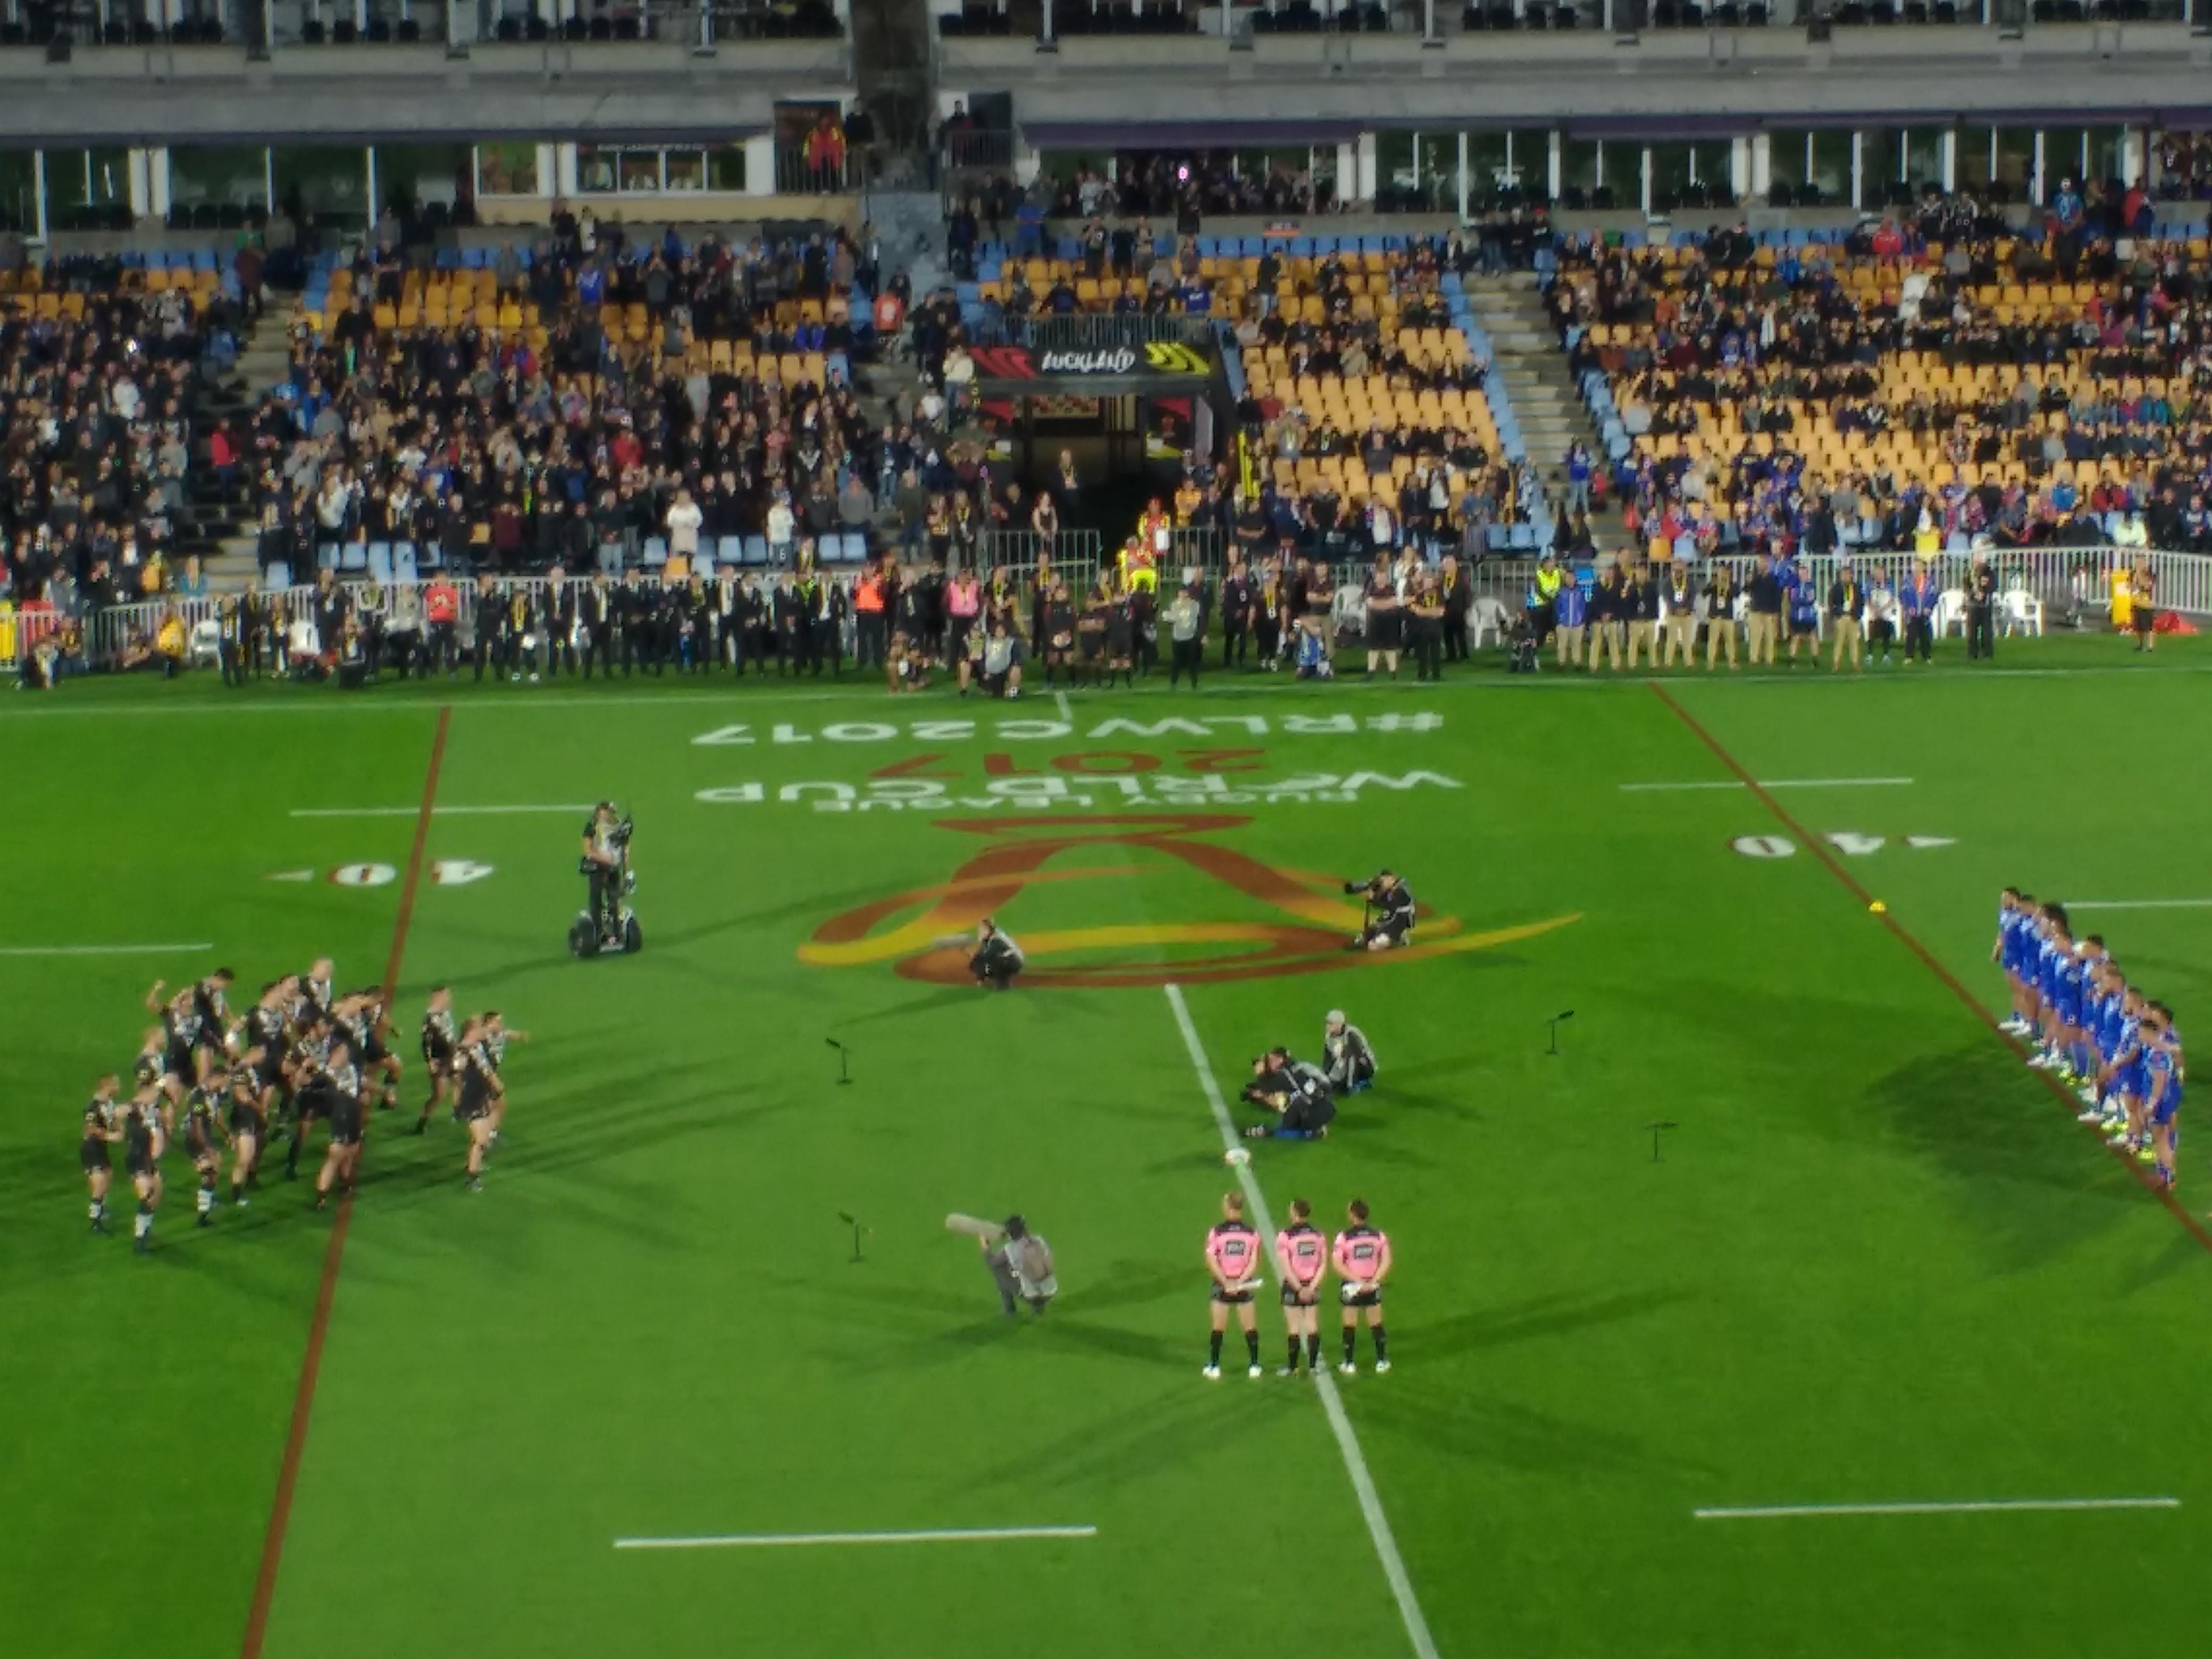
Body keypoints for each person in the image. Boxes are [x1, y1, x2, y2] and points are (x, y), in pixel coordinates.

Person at [1203, 1191, 1265, 1380]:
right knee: (1250, 1327)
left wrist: (1226, 1281)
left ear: (1229, 1207)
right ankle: (1254, 1365)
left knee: (1218, 1327)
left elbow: (1211, 1259)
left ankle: (1215, 1366)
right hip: (1244, 1284)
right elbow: (1254, 1262)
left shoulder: (1217, 1232)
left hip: (1222, 1284)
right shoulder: (1252, 1233)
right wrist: (1240, 1282)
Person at [1333, 1199, 1392, 1375]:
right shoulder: (1378, 1236)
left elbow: (1337, 1263)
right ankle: (1381, 1361)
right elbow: (1387, 1260)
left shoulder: (1344, 1237)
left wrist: (1357, 1281)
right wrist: (1373, 1281)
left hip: (1352, 1285)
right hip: (1372, 1284)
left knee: (1350, 1324)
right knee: (1376, 1324)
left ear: (1353, 1215)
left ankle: (1349, 1363)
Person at [1275, 1199, 1328, 1376]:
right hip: (1312, 1283)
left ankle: (1293, 1367)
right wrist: (1311, 1287)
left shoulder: (1286, 1236)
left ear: (1295, 1213)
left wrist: (1299, 1289)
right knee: (1312, 1324)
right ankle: (1313, 1366)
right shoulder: (1318, 1236)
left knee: (1293, 1326)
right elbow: (1323, 1264)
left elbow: (1286, 1266)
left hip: (1293, 1285)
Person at [1240, 1050, 1337, 1140]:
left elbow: (1294, 1102)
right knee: (1286, 1113)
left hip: (1315, 1111)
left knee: (1284, 1127)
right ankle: (1311, 1129)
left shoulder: (1278, 1079)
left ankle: (1313, 1133)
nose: (1256, 1068)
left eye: (1260, 1064)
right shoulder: (1287, 1073)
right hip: (1324, 1105)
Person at [454, 1017, 504, 1192]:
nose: (484, 1031)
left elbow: (487, 1070)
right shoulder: (463, 1051)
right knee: (481, 1140)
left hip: (481, 1097)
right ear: (471, 1032)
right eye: (480, 1029)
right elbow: (458, 1075)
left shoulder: (478, 1048)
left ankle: (472, 1166)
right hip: (471, 1100)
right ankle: (472, 1178)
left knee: (484, 1139)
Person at [981, 1215, 1057, 1316]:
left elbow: (992, 1262)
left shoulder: (1010, 1248)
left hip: (1031, 1297)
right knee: (1017, 1270)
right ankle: (1038, 1308)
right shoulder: (1038, 1240)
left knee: (998, 1270)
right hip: (1051, 1291)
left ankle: (1010, 1310)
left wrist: (986, 1247)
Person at [580, 801, 631, 942]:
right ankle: (597, 931)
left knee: (614, 899)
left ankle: (616, 931)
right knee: (596, 899)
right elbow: (588, 851)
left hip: (612, 868)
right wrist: (604, 859)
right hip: (597, 868)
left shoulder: (618, 828)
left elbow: (625, 849)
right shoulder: (592, 827)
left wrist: (626, 871)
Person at [81, 1074, 122, 1236]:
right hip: (91, 1148)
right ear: (107, 1085)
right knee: (100, 1183)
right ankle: (95, 1221)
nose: (119, 1087)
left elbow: (115, 1123)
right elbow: (91, 1129)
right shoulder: (93, 1107)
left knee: (108, 1176)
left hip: (101, 1147)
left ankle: (101, 1208)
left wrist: (120, 1130)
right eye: (116, 1084)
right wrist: (110, 1136)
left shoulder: (109, 1104)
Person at [414, 985, 458, 1134]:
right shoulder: (430, 1018)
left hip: (451, 1055)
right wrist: (430, 1061)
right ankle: (423, 1121)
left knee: (461, 1082)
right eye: (446, 996)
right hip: (439, 1059)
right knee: (439, 1094)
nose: (449, 999)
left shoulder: (446, 1013)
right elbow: (426, 1041)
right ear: (437, 998)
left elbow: (450, 1036)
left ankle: (460, 1112)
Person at [1344, 869, 1415, 951]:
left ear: (1391, 879)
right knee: (1363, 939)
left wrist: (1374, 898)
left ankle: (1399, 939)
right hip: (1390, 918)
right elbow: (1385, 906)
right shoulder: (1391, 889)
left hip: (1400, 922)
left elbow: (1389, 905)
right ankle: (1393, 938)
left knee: (1373, 946)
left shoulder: (1401, 890)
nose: (1382, 884)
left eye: (1383, 881)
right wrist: (1371, 897)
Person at [1322, 1010, 1377, 1094]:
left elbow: (1354, 1059)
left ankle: (1358, 1083)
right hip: (1345, 1064)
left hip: (1365, 1066)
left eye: (1331, 1024)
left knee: (1342, 1087)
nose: (1327, 1026)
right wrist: (1325, 1077)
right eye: (1327, 1023)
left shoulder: (1351, 1035)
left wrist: (1350, 1085)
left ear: (1340, 1024)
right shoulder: (1329, 1037)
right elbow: (1328, 1058)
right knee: (1334, 1085)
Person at [1827, 560, 1866, 672]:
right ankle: (1836, 663)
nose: (1846, 577)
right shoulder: (1836, 588)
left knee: (1854, 641)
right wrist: (1837, 614)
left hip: (1853, 617)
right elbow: (1832, 603)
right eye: (1844, 574)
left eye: (1848, 574)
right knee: (1839, 641)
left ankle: (1855, 663)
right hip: (1841, 617)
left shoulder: (1857, 587)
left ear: (1852, 575)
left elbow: (1861, 602)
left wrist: (1858, 615)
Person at [1899, 560, 1939, 664]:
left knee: (1925, 636)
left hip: (1924, 613)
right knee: (1911, 635)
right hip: (1912, 613)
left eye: (1919, 567)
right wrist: (1908, 607)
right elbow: (1903, 596)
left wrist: (1929, 607)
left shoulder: (1929, 583)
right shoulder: (1907, 582)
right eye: (1915, 567)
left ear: (1923, 568)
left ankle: (1927, 656)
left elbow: (1934, 596)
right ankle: (1909, 656)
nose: (1916, 569)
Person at [1166, 582, 1204, 690]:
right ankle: (1173, 683)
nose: (1183, 594)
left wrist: (1201, 634)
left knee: (1192, 662)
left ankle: (1194, 683)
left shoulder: (1194, 605)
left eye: (1184, 592)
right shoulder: (1174, 605)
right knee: (1176, 662)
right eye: (1181, 592)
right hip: (1178, 637)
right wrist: (1168, 616)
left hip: (1190, 637)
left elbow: (1198, 618)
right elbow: (1172, 618)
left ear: (1188, 593)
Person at [969, 918, 1024, 989]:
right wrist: (979, 976)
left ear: (990, 930)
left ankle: (1004, 983)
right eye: (980, 930)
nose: (981, 932)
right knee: (980, 962)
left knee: (993, 960)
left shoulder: (997, 939)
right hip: (1006, 960)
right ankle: (1001, 980)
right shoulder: (987, 940)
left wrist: (976, 961)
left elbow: (987, 956)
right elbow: (980, 956)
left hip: (1015, 961)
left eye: (983, 930)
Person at [1963, 556, 1997, 661]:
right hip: (1973, 606)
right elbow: (1966, 587)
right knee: (1972, 631)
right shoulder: (1969, 572)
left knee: (1986, 631)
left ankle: (1987, 654)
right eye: (1977, 560)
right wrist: (1973, 595)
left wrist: (1985, 593)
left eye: (1981, 560)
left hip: (1986, 606)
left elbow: (1993, 586)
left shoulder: (1989, 573)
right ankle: (1972, 654)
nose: (1978, 562)